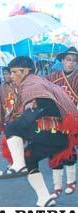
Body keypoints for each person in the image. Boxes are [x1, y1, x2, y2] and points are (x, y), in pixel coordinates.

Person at [1, 56, 77, 206]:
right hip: (62, 138)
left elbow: (42, 99)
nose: (12, 76)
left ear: (26, 71)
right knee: (29, 158)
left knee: (12, 128)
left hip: (52, 131)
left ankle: (18, 165)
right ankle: (45, 198)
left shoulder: (32, 81)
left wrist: (30, 110)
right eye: (11, 72)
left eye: (15, 72)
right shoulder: (43, 81)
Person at [46, 47, 77, 197]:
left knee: (69, 150)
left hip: (72, 119)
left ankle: (71, 182)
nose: (71, 63)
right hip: (54, 119)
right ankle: (57, 187)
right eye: (68, 60)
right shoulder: (52, 77)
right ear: (62, 61)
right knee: (54, 152)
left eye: (74, 61)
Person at [0, 67, 24, 179]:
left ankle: (21, 163)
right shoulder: (0, 88)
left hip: (21, 117)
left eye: (7, 73)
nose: (5, 76)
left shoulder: (19, 84)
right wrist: (0, 118)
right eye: (4, 74)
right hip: (8, 118)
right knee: (8, 142)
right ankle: (14, 163)